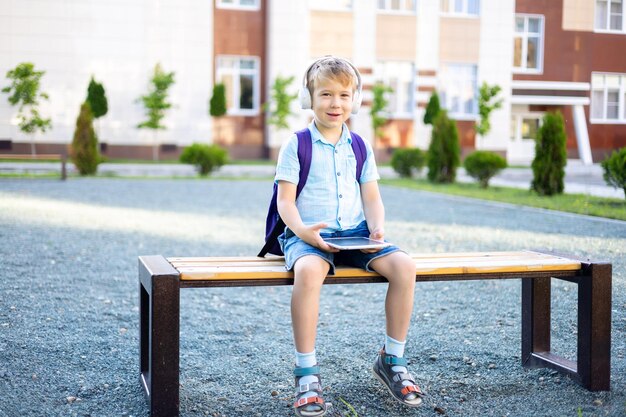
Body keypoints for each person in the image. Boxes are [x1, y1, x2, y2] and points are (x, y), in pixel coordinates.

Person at [274, 56, 424, 417]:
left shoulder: (360, 146)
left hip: (355, 234)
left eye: (344, 95)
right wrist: (303, 233)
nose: (335, 103)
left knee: (404, 266)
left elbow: (371, 196)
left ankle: (392, 359)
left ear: (355, 100)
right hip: (308, 233)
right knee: (310, 272)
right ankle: (306, 373)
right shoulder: (296, 144)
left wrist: (376, 227)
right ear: (308, 98)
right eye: (325, 94)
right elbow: (285, 203)